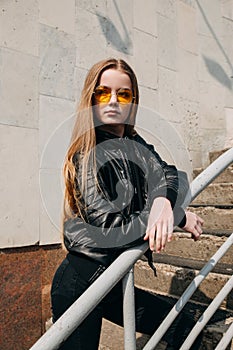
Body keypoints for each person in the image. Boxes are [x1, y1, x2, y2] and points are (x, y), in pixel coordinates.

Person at [51, 58, 204, 349]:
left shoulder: (135, 144)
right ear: (91, 97)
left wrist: (163, 201)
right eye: (103, 92)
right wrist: (176, 213)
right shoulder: (87, 153)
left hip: (112, 279)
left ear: (133, 101)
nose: (113, 100)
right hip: (80, 282)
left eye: (123, 94)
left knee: (183, 326)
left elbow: (173, 174)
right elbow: (110, 229)